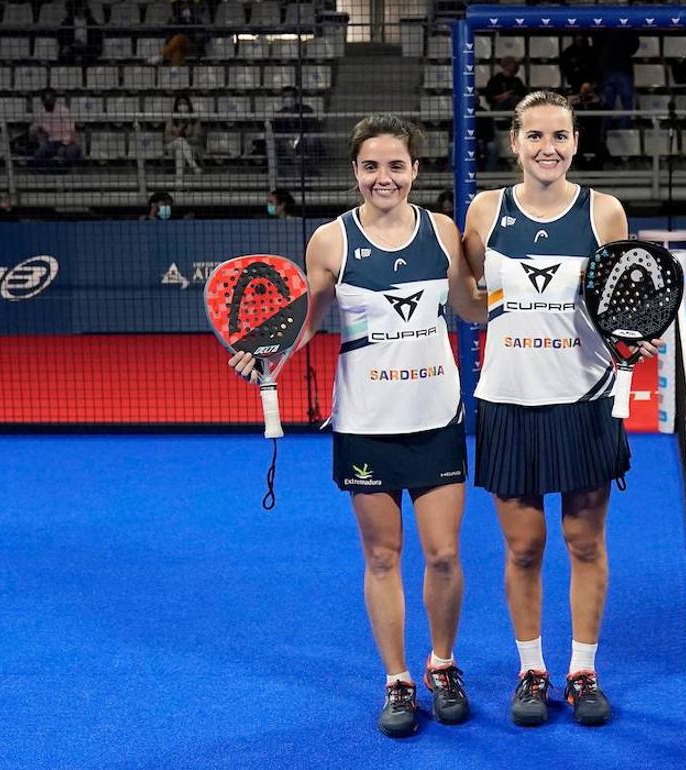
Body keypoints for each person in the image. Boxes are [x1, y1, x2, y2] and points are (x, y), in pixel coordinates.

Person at [229, 113, 484, 738]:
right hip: (365, 422)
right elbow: (308, 318)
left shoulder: (444, 232)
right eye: (371, 166)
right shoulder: (331, 241)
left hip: (436, 417)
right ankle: (397, 680)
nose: (383, 177)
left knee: (444, 554)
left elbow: (471, 306)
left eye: (396, 165)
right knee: (382, 555)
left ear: (416, 170)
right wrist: (266, 348)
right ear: (355, 172)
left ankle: (442, 665)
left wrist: (529, 298)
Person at [461, 90, 651, 728]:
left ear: (575, 142)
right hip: (507, 401)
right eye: (535, 136)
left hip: (585, 400)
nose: (548, 148)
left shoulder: (605, 213)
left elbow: (622, 301)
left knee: (584, 541)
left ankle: (583, 669)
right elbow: (469, 301)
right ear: (513, 142)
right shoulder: (485, 212)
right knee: (523, 548)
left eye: (561, 136)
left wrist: (636, 336)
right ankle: (532, 669)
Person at [29, 89, 83, 168]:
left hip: (69, 142)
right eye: (46, 101)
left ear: (54, 99)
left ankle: (65, 173)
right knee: (38, 156)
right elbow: (36, 127)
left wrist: (64, 145)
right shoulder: (41, 113)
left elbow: (70, 131)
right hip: (52, 143)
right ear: (42, 101)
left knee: (70, 154)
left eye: (50, 100)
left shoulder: (64, 111)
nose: (48, 103)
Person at [165, 95, 202, 179]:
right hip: (172, 147)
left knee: (179, 151)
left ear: (189, 105)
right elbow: (167, 138)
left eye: (185, 104)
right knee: (180, 142)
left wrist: (184, 139)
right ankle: (194, 167)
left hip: (191, 149)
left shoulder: (194, 119)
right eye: (180, 104)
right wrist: (180, 139)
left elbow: (196, 139)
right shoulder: (171, 118)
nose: (182, 106)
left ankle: (179, 181)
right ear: (176, 106)